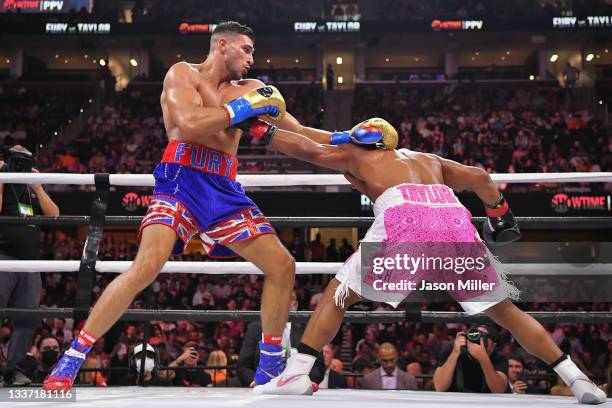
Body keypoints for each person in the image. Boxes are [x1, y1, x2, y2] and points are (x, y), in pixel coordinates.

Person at [43, 20, 341, 391]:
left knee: (282, 266)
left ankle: (267, 372)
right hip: (181, 179)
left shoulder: (250, 89)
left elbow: (298, 133)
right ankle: (71, 359)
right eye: (246, 49)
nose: (252, 58)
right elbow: (188, 122)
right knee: (145, 267)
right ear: (223, 46)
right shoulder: (183, 73)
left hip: (224, 187)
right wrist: (241, 110)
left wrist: (346, 138)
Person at [244, 117, 606, 403]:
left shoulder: (358, 154)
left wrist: (255, 126)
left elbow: (310, 149)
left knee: (337, 295)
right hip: (454, 221)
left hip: (407, 219)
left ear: (363, 141)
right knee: (505, 312)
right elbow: (481, 178)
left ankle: (298, 374)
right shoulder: (427, 159)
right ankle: (578, 379)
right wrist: (500, 214)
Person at [0, 147, 60, 386]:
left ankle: (12, 370)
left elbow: (54, 215)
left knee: (28, 317)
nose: (21, 164)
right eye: (17, 159)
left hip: (30, 263)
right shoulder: (4, 181)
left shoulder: (29, 188)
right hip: (3, 257)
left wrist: (38, 187)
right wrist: (2, 178)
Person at [237, 291, 324, 386]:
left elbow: (318, 366)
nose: (281, 303)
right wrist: (255, 381)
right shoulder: (256, 328)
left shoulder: (307, 329)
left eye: (286, 299)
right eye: (277, 300)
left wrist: (305, 382)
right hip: (262, 387)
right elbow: (243, 365)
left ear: (295, 304)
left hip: (298, 388)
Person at [434, 325, 510, 393]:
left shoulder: (497, 356)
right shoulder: (453, 348)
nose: (477, 341)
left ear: (493, 346)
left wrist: (483, 358)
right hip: (456, 400)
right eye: (475, 336)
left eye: (483, 338)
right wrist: (455, 353)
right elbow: (439, 387)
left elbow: (498, 390)